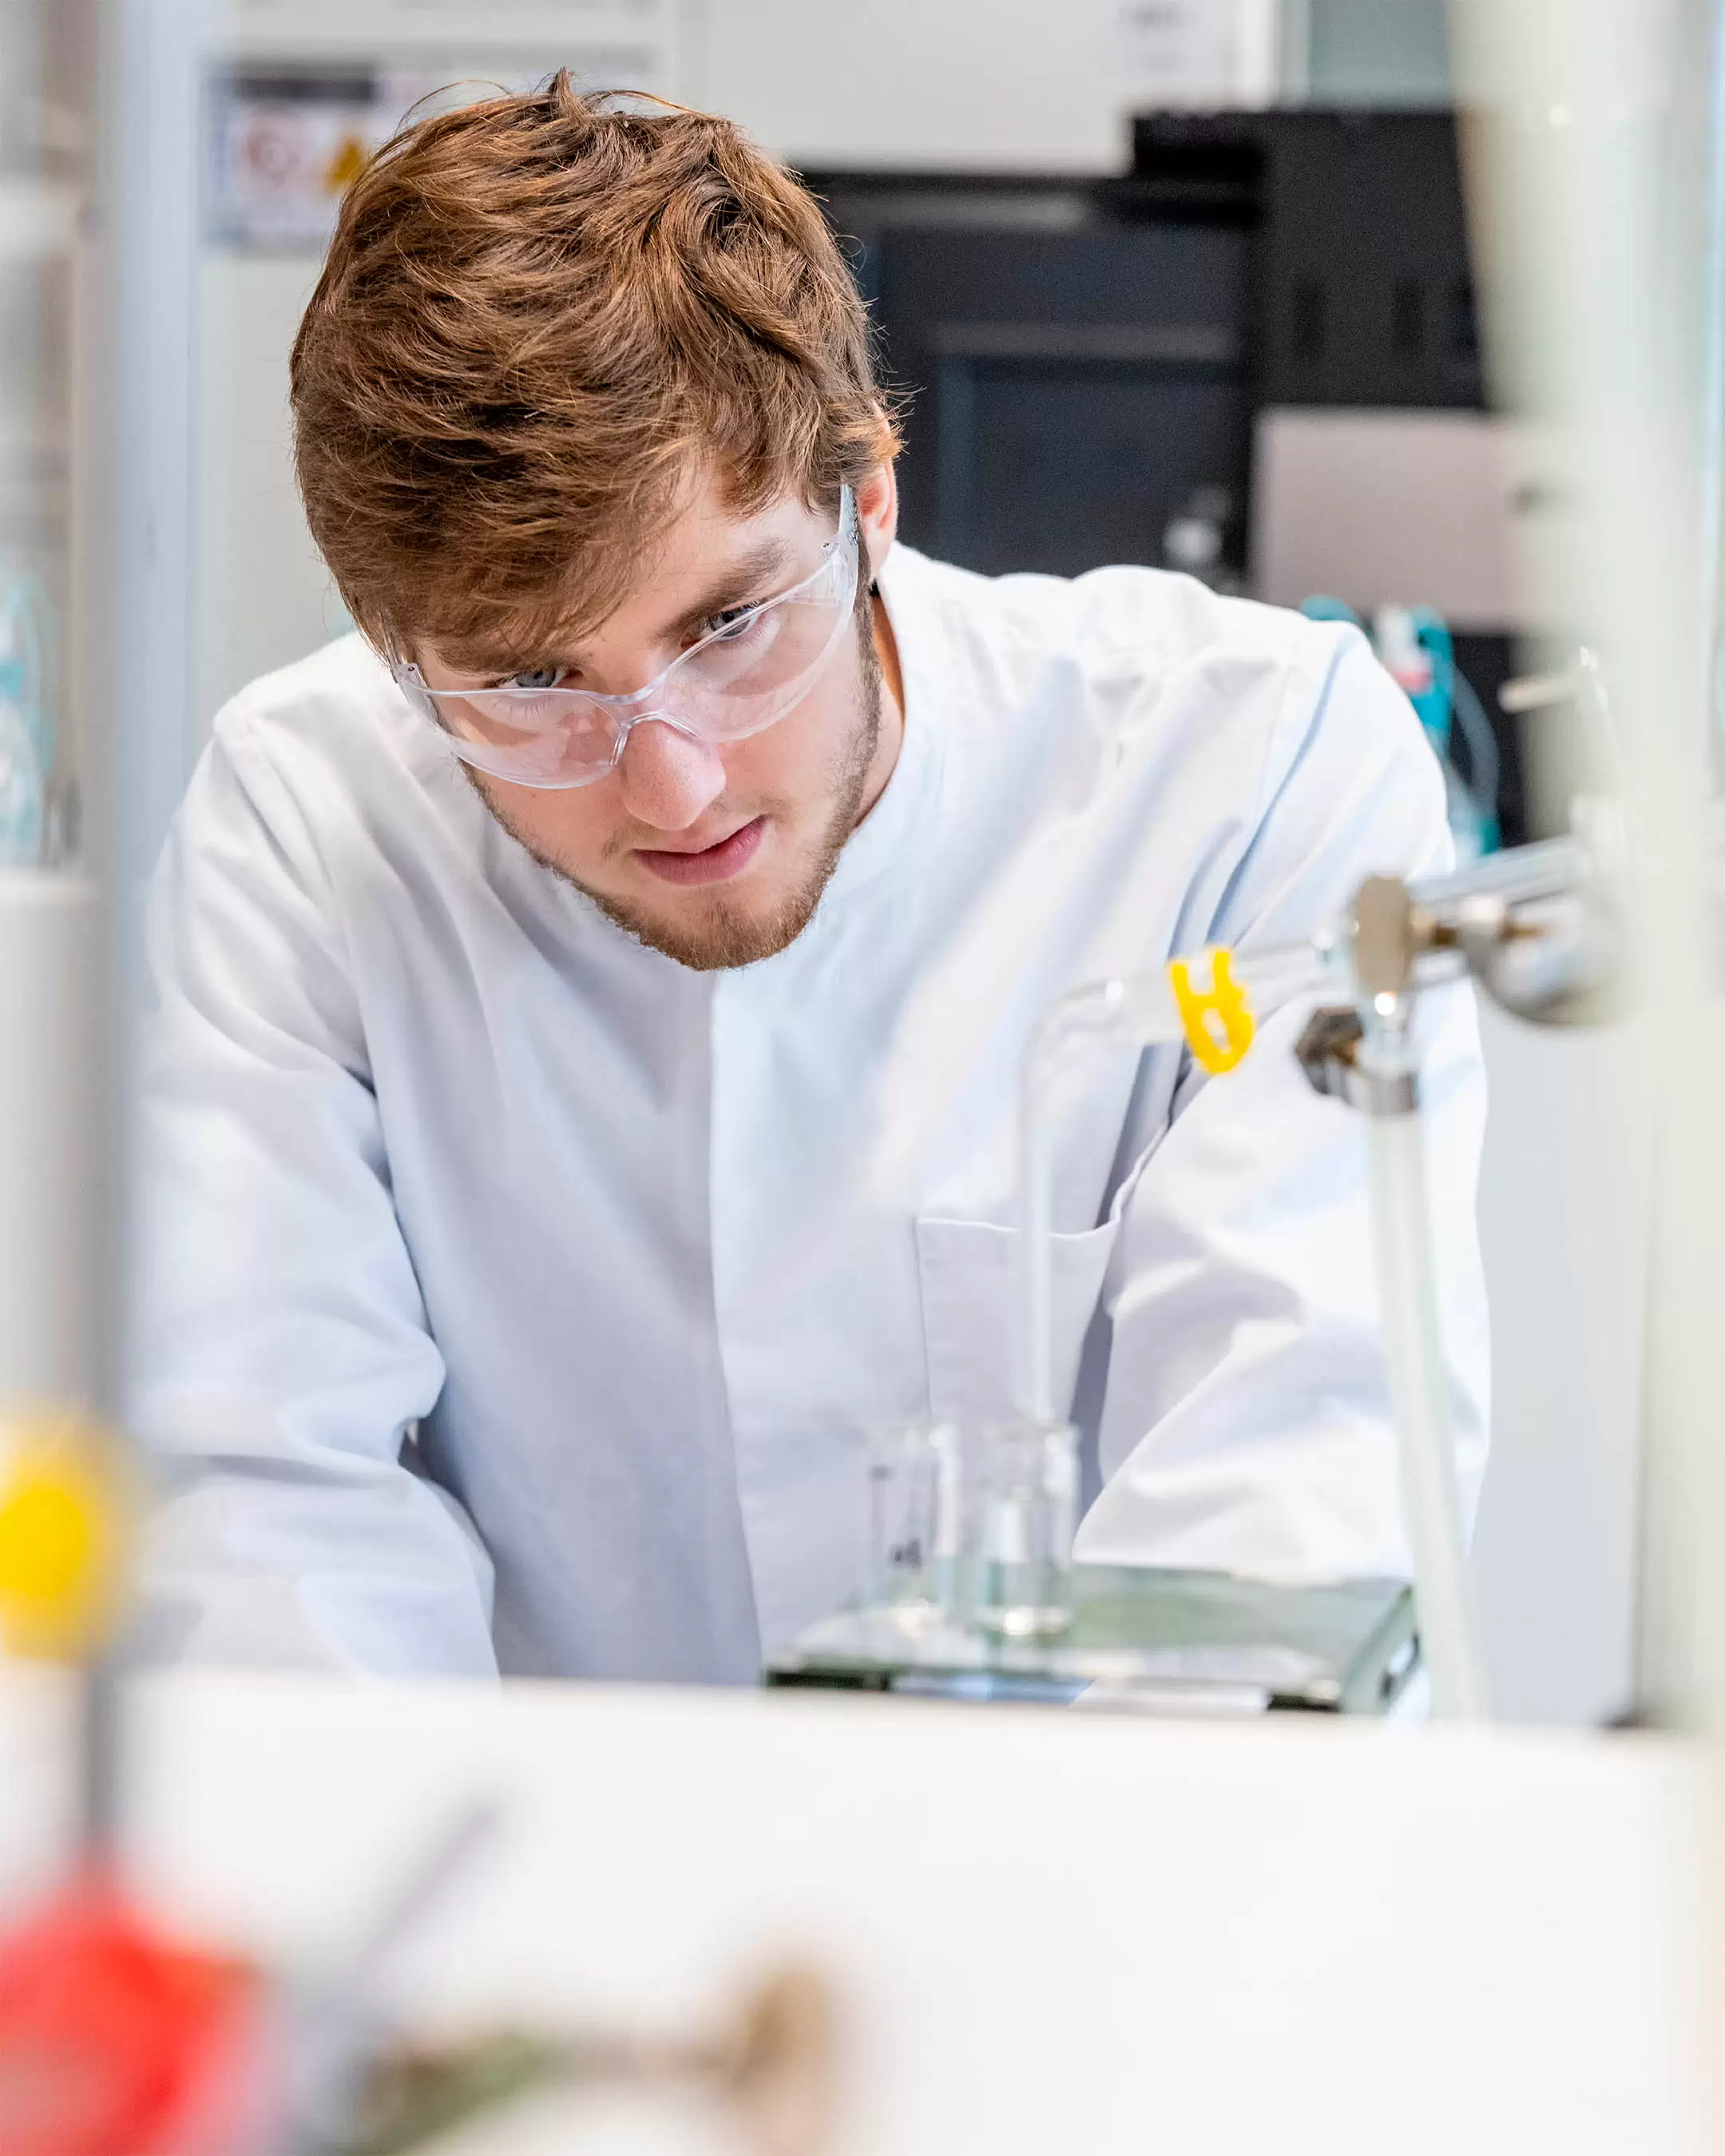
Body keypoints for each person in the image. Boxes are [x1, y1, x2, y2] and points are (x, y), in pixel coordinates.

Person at [134, 75, 1489, 1680]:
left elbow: (1283, 1518)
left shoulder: (1250, 776)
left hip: (1114, 1822)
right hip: (533, 1829)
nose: (675, 783)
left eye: (728, 625)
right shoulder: (310, 820)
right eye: (533, 686)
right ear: (394, 656)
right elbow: (269, 1522)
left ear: (871, 498)